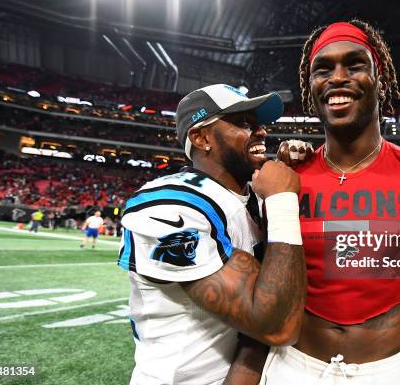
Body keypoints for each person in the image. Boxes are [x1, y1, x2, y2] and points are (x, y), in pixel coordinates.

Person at [233, 20, 400, 384]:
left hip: (385, 372)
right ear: (310, 89)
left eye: (354, 65)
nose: (338, 77)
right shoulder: (285, 180)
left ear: (380, 79)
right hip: (292, 366)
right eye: (323, 69)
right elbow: (262, 299)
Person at [117, 84, 307, 385]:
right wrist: (282, 202)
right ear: (202, 138)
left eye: (258, 124)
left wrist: (305, 169)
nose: (261, 133)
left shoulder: (254, 195)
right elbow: (277, 326)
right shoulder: (170, 204)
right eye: (244, 123)